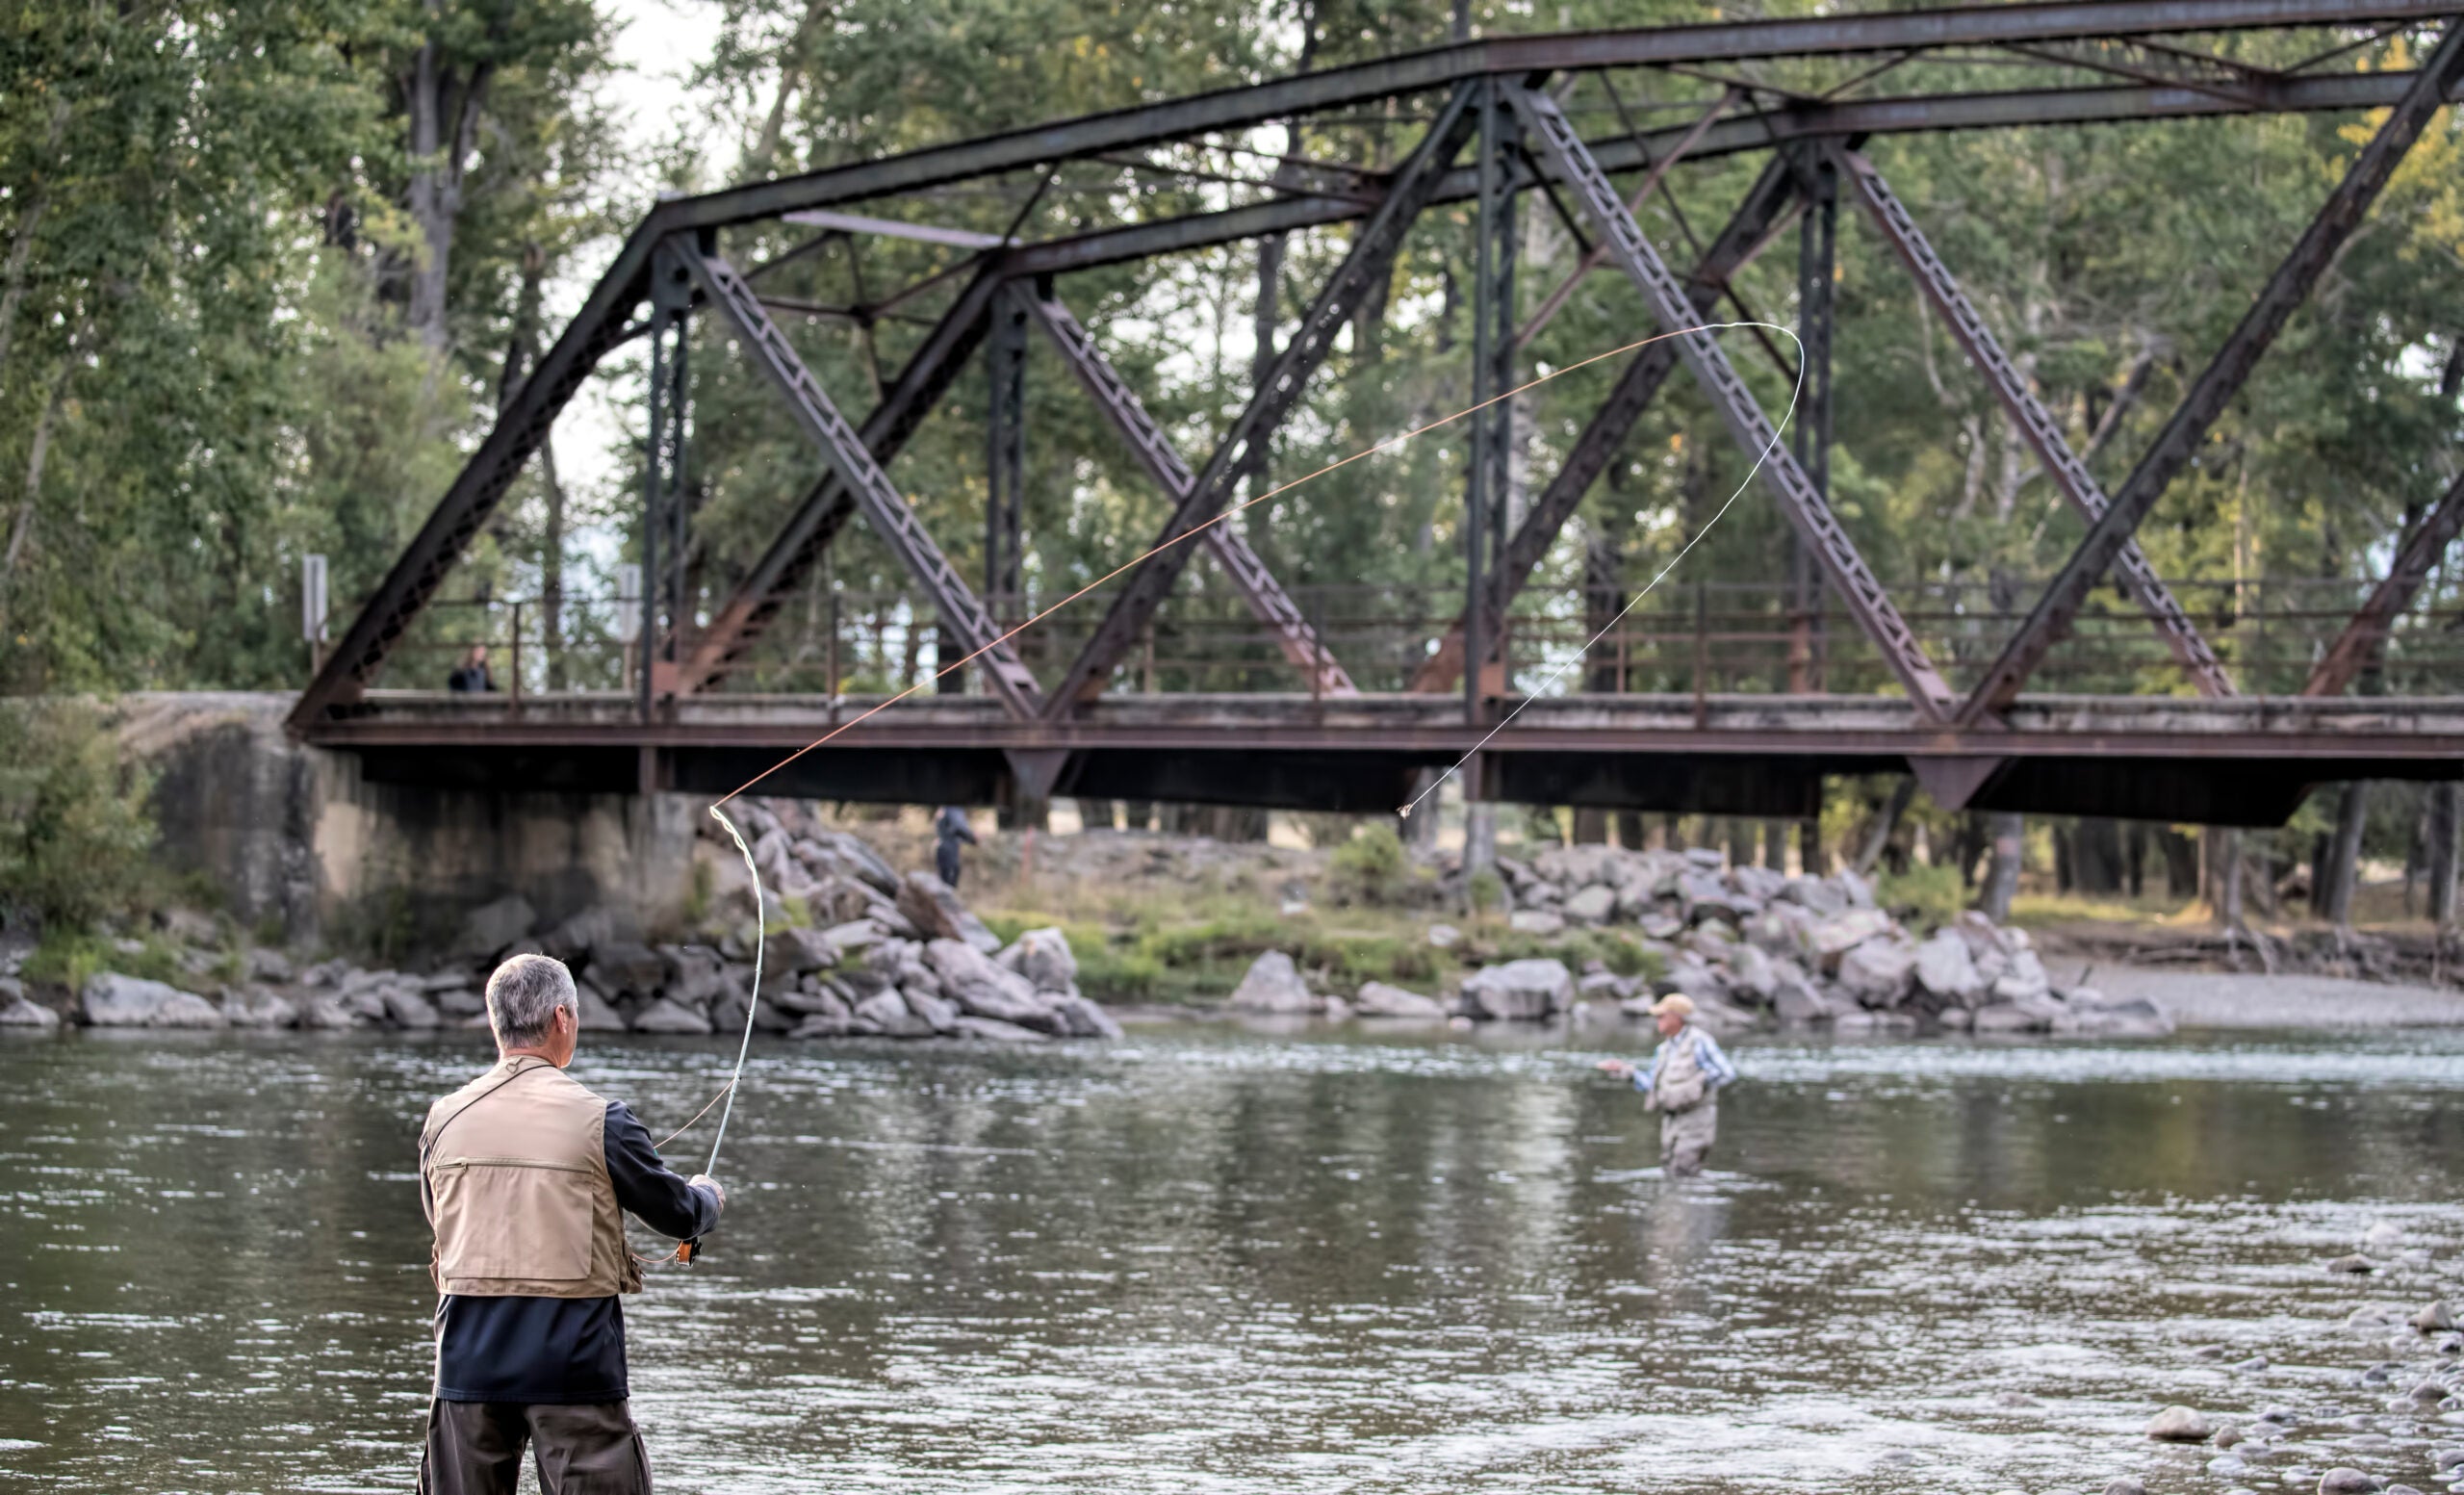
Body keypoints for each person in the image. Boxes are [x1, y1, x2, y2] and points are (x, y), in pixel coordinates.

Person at [416, 953, 723, 1494]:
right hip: (575, 1364)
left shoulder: (444, 1119)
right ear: (562, 1018)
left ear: (496, 1023)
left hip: (466, 1362)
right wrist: (709, 1198)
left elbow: (440, 1222)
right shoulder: (604, 1119)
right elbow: (677, 1213)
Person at [1597, 993, 1737, 1177]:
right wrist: (1626, 1071)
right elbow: (1652, 1086)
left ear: (1677, 1017)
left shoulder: (1699, 1041)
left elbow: (1727, 1072)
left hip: (1697, 1120)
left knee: (1684, 1171)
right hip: (1671, 1121)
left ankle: (1690, 1205)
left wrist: (1696, 1086)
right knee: (1670, 1170)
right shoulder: (1664, 1049)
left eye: (1661, 1015)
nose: (1657, 1019)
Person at [933, 804, 977, 889]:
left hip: (942, 847)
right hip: (950, 848)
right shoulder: (953, 808)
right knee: (949, 882)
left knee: (943, 880)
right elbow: (959, 827)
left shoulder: (944, 808)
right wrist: (973, 839)